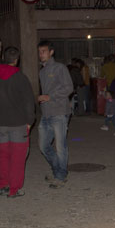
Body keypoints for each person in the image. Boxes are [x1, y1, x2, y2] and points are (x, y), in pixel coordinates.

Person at [0, 46, 35, 198]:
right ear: (16, 60)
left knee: (2, 155)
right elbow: (28, 101)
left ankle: (4, 184)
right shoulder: (20, 77)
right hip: (18, 123)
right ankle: (15, 188)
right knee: (18, 157)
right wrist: (30, 120)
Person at [37, 40, 73, 188]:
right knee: (43, 146)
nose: (41, 54)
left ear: (51, 52)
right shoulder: (42, 71)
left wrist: (50, 97)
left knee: (60, 146)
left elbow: (68, 87)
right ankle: (58, 170)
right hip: (46, 114)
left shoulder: (59, 68)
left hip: (59, 112)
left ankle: (60, 175)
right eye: (39, 52)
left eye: (44, 51)